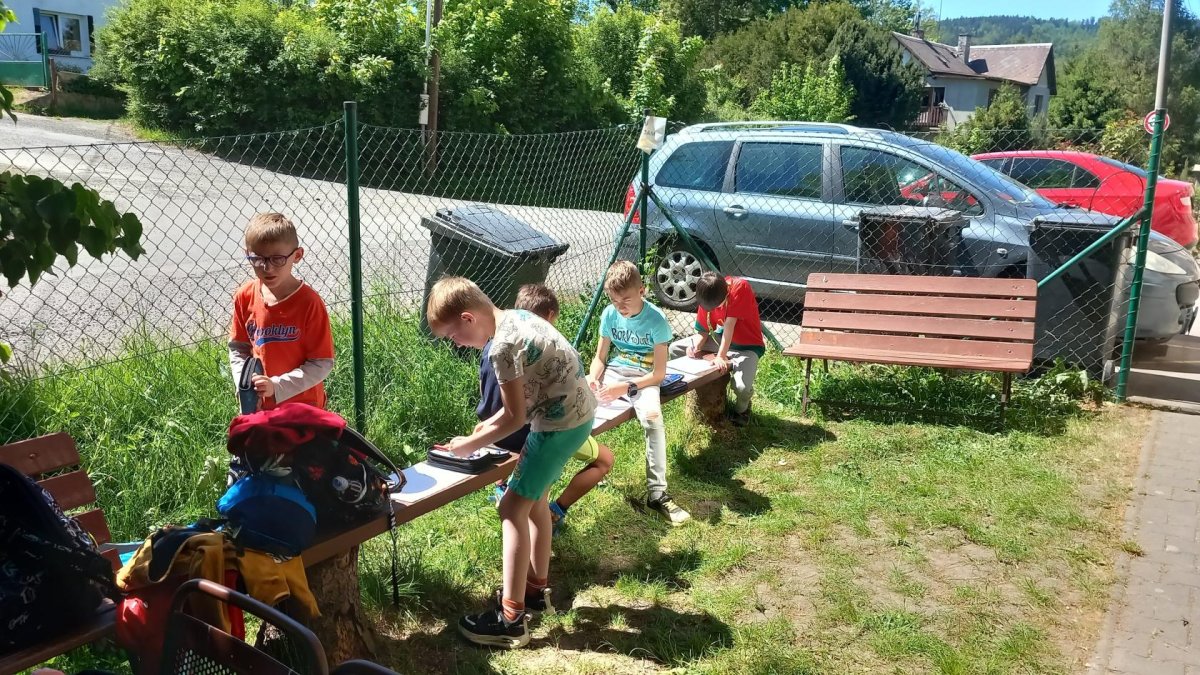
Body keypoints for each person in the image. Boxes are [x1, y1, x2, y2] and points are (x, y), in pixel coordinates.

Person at [427, 277, 596, 649]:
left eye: (453, 336)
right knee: (535, 502)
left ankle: (511, 619)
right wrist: (485, 427)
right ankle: (535, 591)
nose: (456, 343)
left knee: (511, 508)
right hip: (577, 415)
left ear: (468, 319)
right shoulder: (517, 317)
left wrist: (468, 446)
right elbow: (519, 402)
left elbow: (515, 417)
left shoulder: (501, 348)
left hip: (557, 426)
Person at [482, 284, 615, 537]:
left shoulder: (493, 344)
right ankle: (556, 510)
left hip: (498, 435)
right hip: (540, 431)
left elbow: (491, 403)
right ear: (550, 316)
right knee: (605, 460)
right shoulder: (535, 345)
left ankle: (504, 487)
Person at [589, 261, 690, 526]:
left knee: (653, 419)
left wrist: (625, 388)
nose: (620, 307)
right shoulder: (609, 315)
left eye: (626, 300)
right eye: (614, 300)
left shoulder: (657, 320)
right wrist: (593, 378)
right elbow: (600, 358)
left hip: (644, 378)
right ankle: (585, 473)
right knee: (581, 409)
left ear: (642, 291)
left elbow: (659, 374)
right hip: (616, 372)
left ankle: (657, 494)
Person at [228, 213, 334, 412]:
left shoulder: (309, 303)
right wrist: (244, 382)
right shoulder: (244, 296)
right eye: (258, 259)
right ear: (247, 254)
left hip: (304, 409)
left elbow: (322, 363)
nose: (267, 267)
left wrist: (277, 387)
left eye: (277, 259)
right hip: (259, 408)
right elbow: (239, 349)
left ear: (297, 256)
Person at [669, 272, 764, 426]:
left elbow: (729, 327)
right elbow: (703, 332)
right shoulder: (707, 293)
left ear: (726, 294)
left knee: (742, 387)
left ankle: (742, 410)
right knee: (675, 348)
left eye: (717, 307)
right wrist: (695, 346)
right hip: (720, 342)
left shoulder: (740, 287)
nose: (714, 309)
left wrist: (721, 356)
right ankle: (688, 389)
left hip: (747, 346)